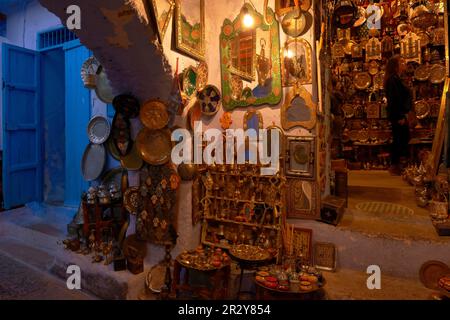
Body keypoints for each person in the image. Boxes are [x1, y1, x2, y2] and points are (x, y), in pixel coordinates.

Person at [384, 55, 412, 175]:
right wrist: (400, 116)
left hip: (400, 114)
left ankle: (396, 165)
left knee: (400, 138)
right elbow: (394, 99)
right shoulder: (392, 80)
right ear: (396, 66)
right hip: (398, 115)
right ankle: (395, 165)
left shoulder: (395, 79)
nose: (404, 64)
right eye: (401, 62)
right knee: (400, 139)